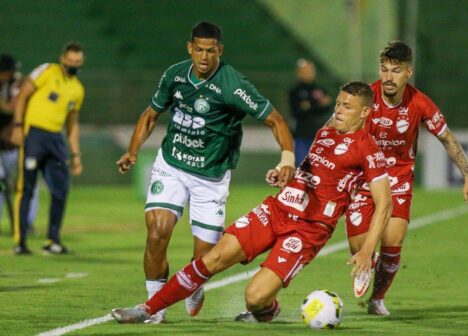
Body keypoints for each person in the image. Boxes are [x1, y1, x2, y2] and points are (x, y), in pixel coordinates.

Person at [110, 81, 393, 324]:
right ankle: (147, 309)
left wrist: (368, 250)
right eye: (339, 104)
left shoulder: (367, 148)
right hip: (277, 210)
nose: (338, 111)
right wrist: (286, 174)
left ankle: (266, 310)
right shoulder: (327, 129)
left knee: (254, 298)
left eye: (347, 107)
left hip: (307, 230)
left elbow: (385, 204)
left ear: (365, 112)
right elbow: (315, 170)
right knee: (213, 258)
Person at [115, 21, 295, 323]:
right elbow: (150, 115)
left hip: (210, 178)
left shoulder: (233, 85)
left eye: (211, 51)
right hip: (171, 166)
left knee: (204, 260)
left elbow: (275, 120)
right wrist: (132, 151)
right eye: (199, 49)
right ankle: (154, 307)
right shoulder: (174, 75)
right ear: (190, 48)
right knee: (157, 232)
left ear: (219, 50)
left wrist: (287, 158)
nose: (204, 57)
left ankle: (195, 285)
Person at [343, 41, 468, 316]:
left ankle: (377, 299)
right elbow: (335, 127)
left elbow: (447, 138)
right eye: (384, 70)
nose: (388, 77)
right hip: (364, 177)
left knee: (392, 240)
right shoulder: (367, 97)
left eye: (396, 71)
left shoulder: (419, 103)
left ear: (409, 72)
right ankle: (366, 260)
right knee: (360, 249)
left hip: (398, 177)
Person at [11, 43, 85, 255]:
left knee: (61, 190)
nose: (73, 65)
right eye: (70, 61)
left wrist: (75, 154)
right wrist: (18, 126)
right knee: (26, 188)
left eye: (77, 62)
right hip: (34, 134)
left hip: (56, 139)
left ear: (82, 63)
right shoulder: (46, 71)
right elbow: (23, 96)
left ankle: (52, 240)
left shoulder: (78, 89)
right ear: (63, 58)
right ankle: (20, 242)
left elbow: (72, 124)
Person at [0, 53, 38, 234]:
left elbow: (14, 107)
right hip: (4, 145)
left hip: (18, 144)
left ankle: (27, 222)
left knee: (28, 182)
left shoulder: (21, 83)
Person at [288, 59, 332, 167]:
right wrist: (318, 105)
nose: (308, 73)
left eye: (310, 70)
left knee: (321, 166)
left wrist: (309, 106)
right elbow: (297, 112)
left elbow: (328, 107)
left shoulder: (320, 89)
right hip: (302, 135)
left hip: (320, 135)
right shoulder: (295, 92)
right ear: (299, 73)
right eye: (305, 71)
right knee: (301, 166)